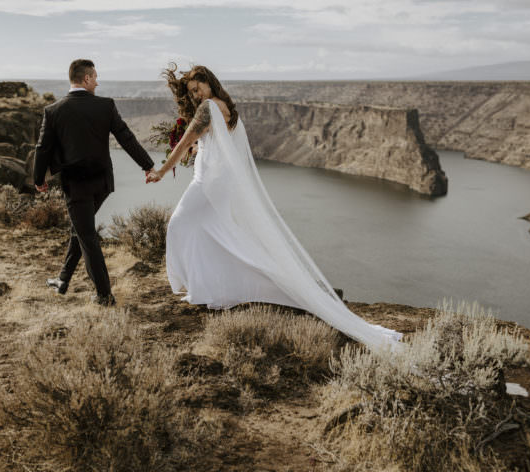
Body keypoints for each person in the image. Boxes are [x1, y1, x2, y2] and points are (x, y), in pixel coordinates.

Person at [146, 64, 403, 351]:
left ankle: (205, 285)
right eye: (191, 92)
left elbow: (184, 142)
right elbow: (215, 143)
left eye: (198, 88)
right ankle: (208, 288)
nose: (195, 95)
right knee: (210, 230)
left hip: (207, 182)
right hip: (218, 182)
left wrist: (161, 169)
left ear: (209, 84)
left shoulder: (208, 107)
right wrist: (199, 149)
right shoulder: (224, 106)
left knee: (180, 223)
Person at [34, 59, 155, 306]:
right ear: (86, 79)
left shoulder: (53, 111)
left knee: (87, 235)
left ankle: (104, 296)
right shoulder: (105, 106)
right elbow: (126, 137)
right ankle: (63, 279)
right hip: (102, 184)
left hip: (76, 185)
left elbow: (42, 148)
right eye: (95, 77)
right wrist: (147, 165)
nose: (97, 82)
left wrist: (38, 179)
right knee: (80, 230)